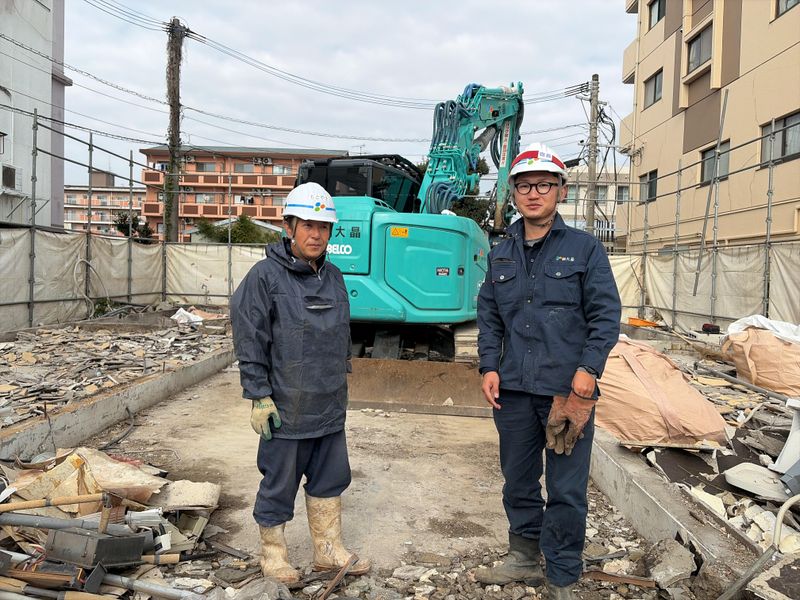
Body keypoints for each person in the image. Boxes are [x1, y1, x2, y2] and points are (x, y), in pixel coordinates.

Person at [475, 143, 621, 599]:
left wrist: (589, 369)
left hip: (566, 392)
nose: (533, 193)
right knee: (518, 481)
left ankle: (561, 574)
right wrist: (488, 366)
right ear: (514, 194)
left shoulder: (585, 249)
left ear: (561, 191)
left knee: (566, 489)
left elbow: (606, 315)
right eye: (524, 186)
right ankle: (523, 557)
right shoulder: (500, 252)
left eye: (543, 184)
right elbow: (489, 317)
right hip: (515, 390)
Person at [230, 182, 370, 583]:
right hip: (286, 407)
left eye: (323, 227)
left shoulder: (334, 276)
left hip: (329, 404)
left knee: (330, 478)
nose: (316, 234)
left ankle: (328, 551)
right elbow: (250, 337)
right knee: (279, 482)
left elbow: (339, 338)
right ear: (288, 226)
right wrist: (258, 395)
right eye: (308, 225)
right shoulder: (265, 277)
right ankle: (273, 555)